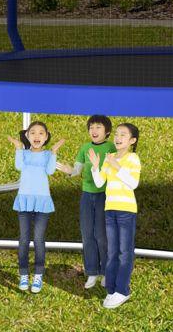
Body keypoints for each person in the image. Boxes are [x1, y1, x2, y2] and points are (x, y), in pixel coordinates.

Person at [55, 115, 115, 288]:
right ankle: (92, 272)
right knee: (87, 234)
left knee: (102, 236)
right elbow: (77, 170)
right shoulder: (85, 148)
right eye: (91, 127)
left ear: (107, 131)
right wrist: (68, 170)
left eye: (98, 127)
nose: (94, 131)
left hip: (105, 195)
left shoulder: (111, 147)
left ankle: (106, 272)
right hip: (87, 197)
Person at [8, 120, 65, 293]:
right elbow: (18, 166)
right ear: (27, 136)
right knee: (24, 240)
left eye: (41, 133)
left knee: (39, 239)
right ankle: (24, 274)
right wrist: (18, 148)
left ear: (46, 137)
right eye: (33, 132)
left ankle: (38, 274)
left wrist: (54, 152)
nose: (37, 136)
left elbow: (50, 171)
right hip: (24, 200)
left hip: (42, 201)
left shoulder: (48, 155)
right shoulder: (23, 153)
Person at [89, 122, 141, 309]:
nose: (118, 138)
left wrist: (116, 166)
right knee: (112, 252)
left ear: (132, 140)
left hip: (126, 211)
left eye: (123, 135)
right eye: (117, 134)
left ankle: (122, 290)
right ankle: (111, 290)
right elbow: (99, 182)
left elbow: (133, 183)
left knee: (124, 252)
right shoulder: (109, 157)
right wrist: (96, 166)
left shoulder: (132, 158)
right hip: (110, 209)